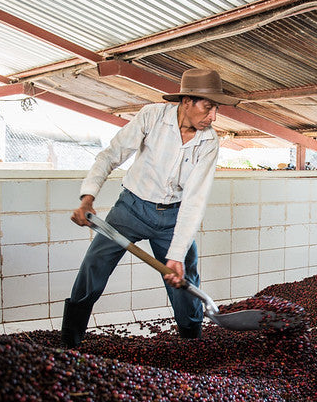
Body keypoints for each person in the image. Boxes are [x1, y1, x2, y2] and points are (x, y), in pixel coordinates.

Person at [61, 69, 240, 348]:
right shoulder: (152, 116)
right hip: (130, 209)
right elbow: (112, 155)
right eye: (208, 107)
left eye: (215, 109)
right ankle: (69, 343)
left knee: (184, 282)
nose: (213, 116)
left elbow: (195, 199)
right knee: (93, 268)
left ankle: (192, 345)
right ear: (186, 101)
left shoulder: (209, 142)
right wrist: (88, 198)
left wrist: (177, 254)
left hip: (173, 218)